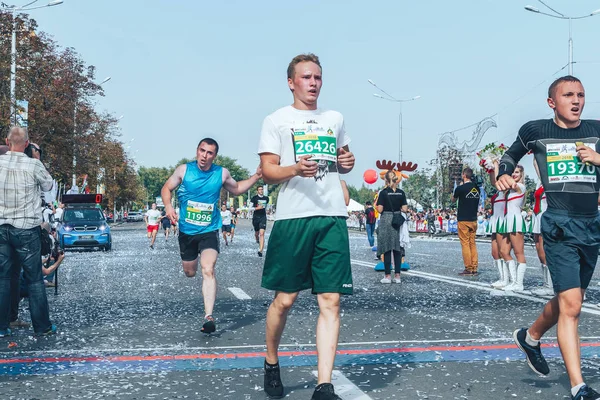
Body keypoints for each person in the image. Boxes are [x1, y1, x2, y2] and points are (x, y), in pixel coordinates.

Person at [258, 53, 355, 400]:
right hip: (292, 218)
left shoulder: (335, 118)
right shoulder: (276, 120)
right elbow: (268, 170)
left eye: (317, 77)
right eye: (306, 77)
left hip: (331, 216)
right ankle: (271, 360)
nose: (313, 83)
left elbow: (343, 161)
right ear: (291, 82)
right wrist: (294, 169)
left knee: (331, 300)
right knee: (284, 300)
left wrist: (348, 161)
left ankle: (324, 385)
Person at [497, 75, 600, 400]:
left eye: (581, 95)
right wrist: (502, 173)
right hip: (558, 224)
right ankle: (578, 386)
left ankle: (530, 337)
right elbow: (509, 157)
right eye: (568, 94)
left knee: (571, 300)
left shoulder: (597, 131)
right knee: (572, 307)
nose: (576, 100)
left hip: (591, 225)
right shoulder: (535, 131)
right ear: (551, 102)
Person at [161, 138, 261, 334]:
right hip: (187, 233)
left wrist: (257, 176)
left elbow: (237, 188)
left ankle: (208, 317)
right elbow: (166, 188)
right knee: (190, 273)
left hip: (209, 230)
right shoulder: (184, 170)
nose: (204, 156)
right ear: (197, 151)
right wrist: (168, 206)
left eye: (209, 153)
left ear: (214, 156)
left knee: (208, 269)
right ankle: (192, 263)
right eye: (202, 151)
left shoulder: (221, 173)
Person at [0, 127, 56, 337]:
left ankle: (2, 327)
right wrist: (34, 158)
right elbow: (49, 185)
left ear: (7, 141)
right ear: (26, 144)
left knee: (3, 279)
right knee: (33, 280)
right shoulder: (33, 165)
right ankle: (42, 327)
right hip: (26, 229)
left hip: (1, 227)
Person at [499, 165, 528, 291]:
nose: (514, 174)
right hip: (508, 221)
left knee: (518, 252)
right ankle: (512, 280)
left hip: (516, 221)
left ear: (521, 174)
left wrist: (505, 173)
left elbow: (512, 184)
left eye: (517, 172)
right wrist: (494, 166)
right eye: (512, 172)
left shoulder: (520, 187)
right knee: (504, 252)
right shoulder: (509, 190)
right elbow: (496, 183)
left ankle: (519, 283)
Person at [376, 170, 407, 284]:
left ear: (386, 180)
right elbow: (405, 208)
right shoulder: (401, 192)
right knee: (397, 248)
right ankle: (398, 276)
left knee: (387, 248)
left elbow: (380, 209)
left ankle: (388, 276)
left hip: (386, 220)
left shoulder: (383, 192)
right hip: (397, 219)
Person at [452, 167, 481, 276]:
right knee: (472, 243)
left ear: (464, 175)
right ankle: (474, 266)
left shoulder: (460, 188)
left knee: (465, 243)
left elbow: (453, 199)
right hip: (473, 219)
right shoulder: (476, 188)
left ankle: (468, 268)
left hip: (463, 219)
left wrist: (458, 187)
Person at [486, 161, 510, 289]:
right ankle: (502, 277)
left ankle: (507, 279)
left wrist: (496, 164)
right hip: (495, 222)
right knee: (495, 253)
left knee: (502, 251)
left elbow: (498, 181)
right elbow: (493, 181)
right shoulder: (497, 192)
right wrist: (490, 168)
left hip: (502, 222)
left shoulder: (506, 190)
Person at [530, 160, 552, 296]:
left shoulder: (551, 181)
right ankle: (546, 283)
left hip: (546, 216)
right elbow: (536, 163)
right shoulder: (540, 182)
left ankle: (551, 284)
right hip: (537, 216)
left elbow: (537, 165)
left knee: (545, 251)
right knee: (539, 251)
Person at [250, 185, 269, 257]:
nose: (261, 191)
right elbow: (249, 208)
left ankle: (260, 250)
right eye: (259, 189)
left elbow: (267, 207)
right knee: (257, 233)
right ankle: (257, 239)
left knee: (262, 233)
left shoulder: (266, 198)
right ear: (257, 191)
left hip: (263, 217)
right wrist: (257, 208)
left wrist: (267, 211)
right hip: (255, 217)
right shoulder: (254, 198)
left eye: (262, 189)